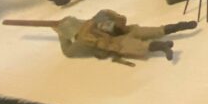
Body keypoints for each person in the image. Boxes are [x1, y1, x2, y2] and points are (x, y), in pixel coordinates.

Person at [61, 10, 195, 61]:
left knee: (149, 31)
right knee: (137, 45)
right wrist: (62, 35)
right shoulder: (84, 39)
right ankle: (162, 46)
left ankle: (179, 26)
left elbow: (117, 17)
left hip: (124, 33)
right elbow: (104, 44)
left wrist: (118, 23)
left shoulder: (95, 20)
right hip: (116, 42)